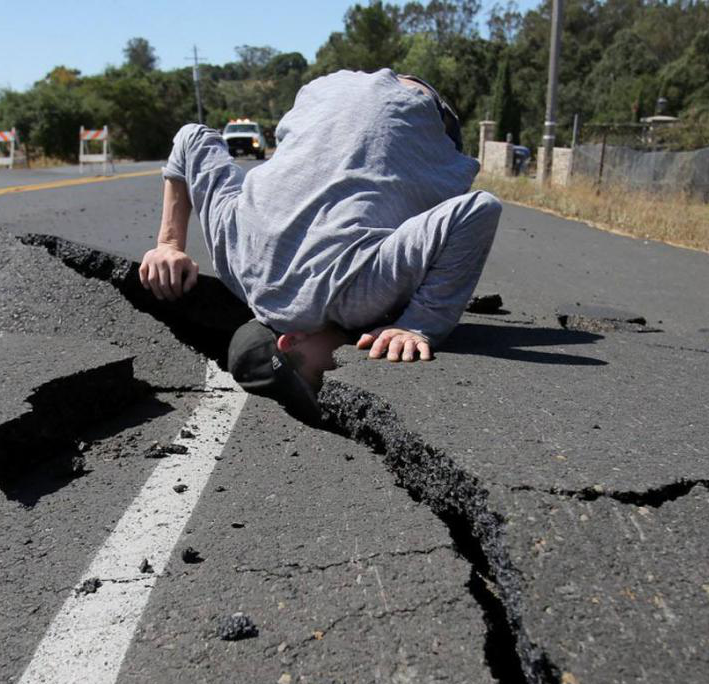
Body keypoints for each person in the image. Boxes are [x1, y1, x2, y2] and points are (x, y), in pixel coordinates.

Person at [139, 68, 502, 420]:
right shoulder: (234, 259)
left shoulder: (355, 297)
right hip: (326, 93)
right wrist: (169, 244)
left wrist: (419, 324)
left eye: (319, 376)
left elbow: (478, 210)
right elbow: (192, 137)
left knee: (406, 255)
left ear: (289, 342)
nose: (333, 372)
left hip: (421, 109)